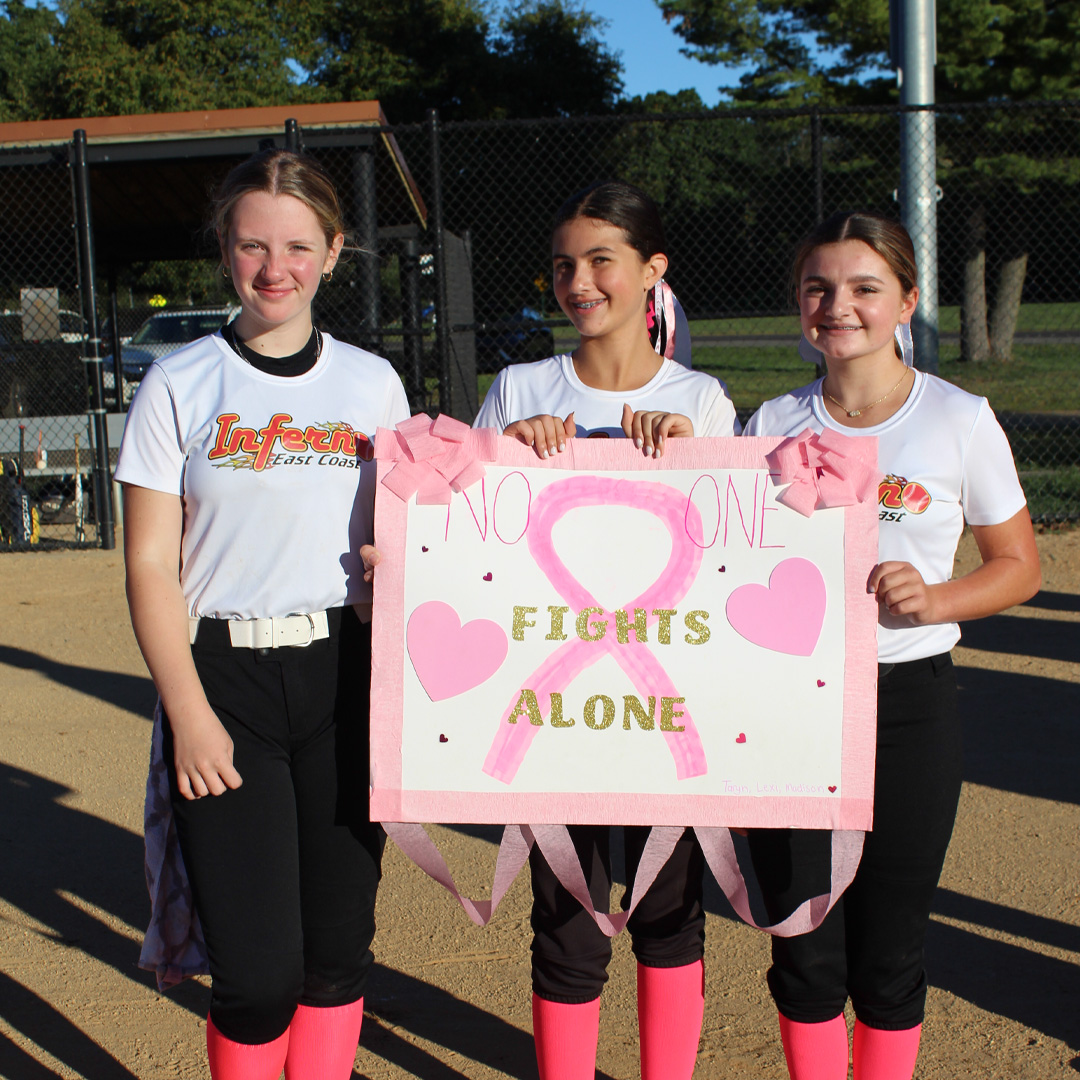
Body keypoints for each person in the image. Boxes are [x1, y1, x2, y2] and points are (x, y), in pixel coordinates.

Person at [116, 148, 411, 1080]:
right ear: (225, 250)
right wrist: (191, 714)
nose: (273, 268)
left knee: (334, 954)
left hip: (345, 675)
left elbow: (411, 542)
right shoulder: (180, 383)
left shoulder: (373, 385)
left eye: (296, 245)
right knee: (254, 972)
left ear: (335, 249)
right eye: (251, 245)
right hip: (227, 680)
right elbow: (149, 565)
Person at [743, 211, 1041, 1080]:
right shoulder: (772, 418)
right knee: (804, 947)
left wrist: (937, 597)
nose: (840, 306)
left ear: (907, 300)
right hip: (791, 714)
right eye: (819, 288)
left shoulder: (957, 418)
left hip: (907, 706)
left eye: (866, 288)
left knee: (889, 949)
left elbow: (1018, 565)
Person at [473, 180, 741, 1080]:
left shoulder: (701, 399)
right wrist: (511, 452)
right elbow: (468, 534)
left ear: (652, 270)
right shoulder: (518, 387)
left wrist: (696, 457)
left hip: (663, 699)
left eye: (602, 261)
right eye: (563, 265)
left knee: (670, 909)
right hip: (559, 699)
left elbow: (727, 563)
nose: (579, 282)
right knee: (568, 912)